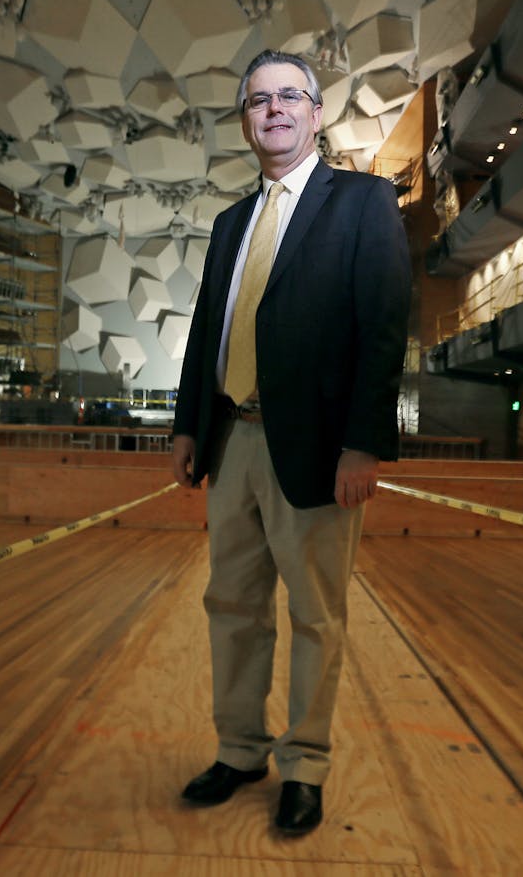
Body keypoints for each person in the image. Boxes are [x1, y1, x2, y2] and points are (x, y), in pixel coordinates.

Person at [170, 49, 411, 836]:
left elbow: (382, 328)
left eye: (288, 97)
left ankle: (304, 763)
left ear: (314, 113)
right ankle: (240, 748)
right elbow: (208, 328)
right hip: (232, 438)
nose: (273, 109)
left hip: (315, 445)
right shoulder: (230, 223)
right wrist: (186, 424)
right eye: (257, 100)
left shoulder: (366, 202)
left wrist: (364, 443)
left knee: (315, 614)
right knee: (232, 605)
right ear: (245, 121)